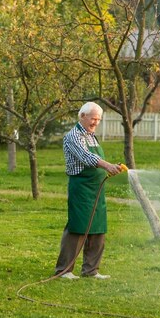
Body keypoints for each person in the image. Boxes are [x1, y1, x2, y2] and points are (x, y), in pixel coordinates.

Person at [54, 102, 122, 280]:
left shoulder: (92, 136)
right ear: (82, 116)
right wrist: (107, 165)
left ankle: (91, 270)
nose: (96, 123)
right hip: (81, 188)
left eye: (98, 119)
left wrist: (112, 170)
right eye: (93, 118)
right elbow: (86, 156)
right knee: (78, 227)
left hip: (96, 189)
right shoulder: (73, 136)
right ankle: (64, 270)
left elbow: (95, 158)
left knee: (98, 228)